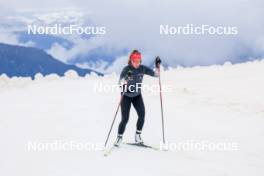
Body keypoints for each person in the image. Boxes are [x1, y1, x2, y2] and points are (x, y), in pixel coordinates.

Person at [114, 49, 161, 146]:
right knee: (125, 119)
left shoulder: (142, 69)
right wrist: (126, 78)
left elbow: (156, 75)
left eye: (139, 61)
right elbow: (120, 83)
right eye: (135, 61)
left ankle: (137, 136)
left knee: (142, 115)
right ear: (131, 61)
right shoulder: (126, 69)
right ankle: (119, 137)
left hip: (137, 96)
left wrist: (157, 66)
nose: (137, 64)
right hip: (126, 96)